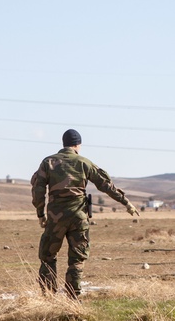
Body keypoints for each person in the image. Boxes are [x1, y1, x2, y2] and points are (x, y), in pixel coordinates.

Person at [31, 128, 139, 298]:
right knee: (77, 258)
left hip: (55, 218)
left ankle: (49, 297)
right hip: (78, 218)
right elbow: (106, 185)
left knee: (47, 256)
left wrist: (40, 214)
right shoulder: (84, 163)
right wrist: (126, 203)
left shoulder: (48, 162)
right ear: (78, 145)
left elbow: (38, 190)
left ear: (64, 144)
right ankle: (73, 297)